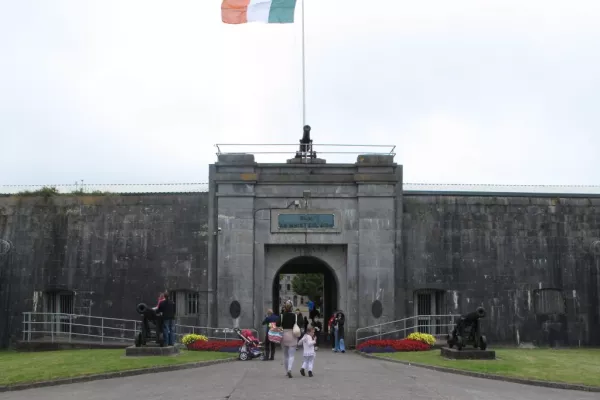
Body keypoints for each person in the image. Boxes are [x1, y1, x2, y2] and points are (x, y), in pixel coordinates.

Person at [276, 300, 300, 378]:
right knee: (291, 355)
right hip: (292, 335)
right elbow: (298, 325)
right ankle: (290, 369)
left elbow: (277, 324)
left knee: (285, 355)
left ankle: (286, 371)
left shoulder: (282, 315)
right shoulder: (295, 316)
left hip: (283, 335)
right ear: (292, 307)